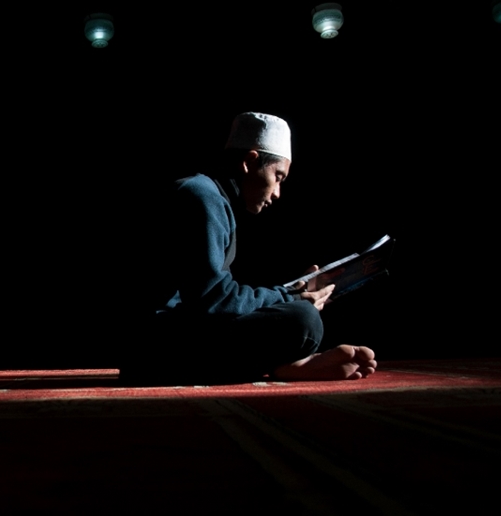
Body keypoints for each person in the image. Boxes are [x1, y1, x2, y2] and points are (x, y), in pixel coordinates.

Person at [126, 112, 376, 384]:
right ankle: (284, 365)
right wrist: (290, 298)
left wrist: (293, 291)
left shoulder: (211, 197)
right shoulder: (200, 196)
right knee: (303, 319)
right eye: (278, 176)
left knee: (299, 315)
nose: (277, 193)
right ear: (249, 162)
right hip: (159, 352)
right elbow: (214, 300)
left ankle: (284, 365)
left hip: (172, 341)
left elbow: (215, 299)